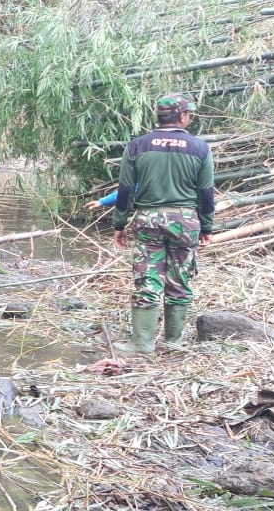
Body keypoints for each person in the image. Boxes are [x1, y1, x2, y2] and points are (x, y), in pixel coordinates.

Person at [112, 93, 215, 353]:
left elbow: (125, 189)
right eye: (188, 113)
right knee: (180, 279)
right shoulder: (200, 148)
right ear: (182, 116)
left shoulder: (137, 145)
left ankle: (142, 343)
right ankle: (173, 342)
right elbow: (206, 192)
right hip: (185, 220)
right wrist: (207, 227)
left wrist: (119, 224)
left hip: (148, 219)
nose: (189, 117)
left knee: (147, 278)